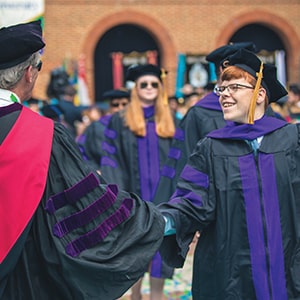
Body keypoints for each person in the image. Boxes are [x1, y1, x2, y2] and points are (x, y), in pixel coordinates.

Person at [0, 20, 165, 300]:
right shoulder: (43, 136)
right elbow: (84, 207)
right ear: (29, 73)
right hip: (22, 277)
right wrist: (152, 220)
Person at [158, 48, 300, 299]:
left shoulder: (292, 140)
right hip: (232, 277)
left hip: (290, 270)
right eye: (221, 89)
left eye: (234, 87)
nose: (224, 95)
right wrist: (158, 221)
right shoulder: (211, 148)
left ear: (260, 94)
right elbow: (191, 203)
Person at [99, 64, 178, 300]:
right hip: (133, 196)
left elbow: (181, 158)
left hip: (165, 196)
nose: (150, 88)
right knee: (134, 246)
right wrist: (119, 197)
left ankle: (156, 295)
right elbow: (110, 159)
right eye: (144, 84)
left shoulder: (171, 119)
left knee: (162, 247)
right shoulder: (119, 121)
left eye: (154, 84)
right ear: (136, 88)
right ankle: (135, 295)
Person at [153, 42, 257, 206]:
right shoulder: (200, 114)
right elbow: (185, 166)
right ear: (224, 70)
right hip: (216, 208)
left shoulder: (264, 111)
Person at [77, 88, 130, 171]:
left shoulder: (137, 127)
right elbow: (82, 151)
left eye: (124, 104)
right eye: (115, 105)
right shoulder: (96, 127)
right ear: (109, 106)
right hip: (104, 176)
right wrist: (94, 170)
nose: (120, 108)